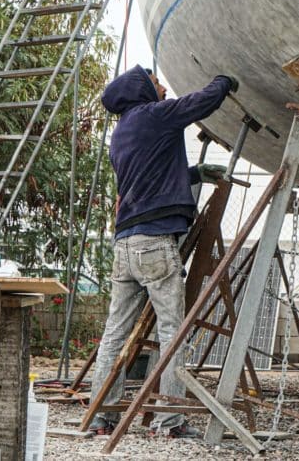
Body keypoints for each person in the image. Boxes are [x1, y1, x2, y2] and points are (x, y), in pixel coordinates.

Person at [89, 65, 236, 439]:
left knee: (114, 336)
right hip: (155, 242)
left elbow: (148, 176)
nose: (165, 87)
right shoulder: (154, 115)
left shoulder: (122, 132)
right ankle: (168, 422)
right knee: (173, 332)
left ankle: (100, 416)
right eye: (157, 83)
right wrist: (225, 80)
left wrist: (194, 173)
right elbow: (199, 103)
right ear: (142, 89)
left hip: (125, 244)